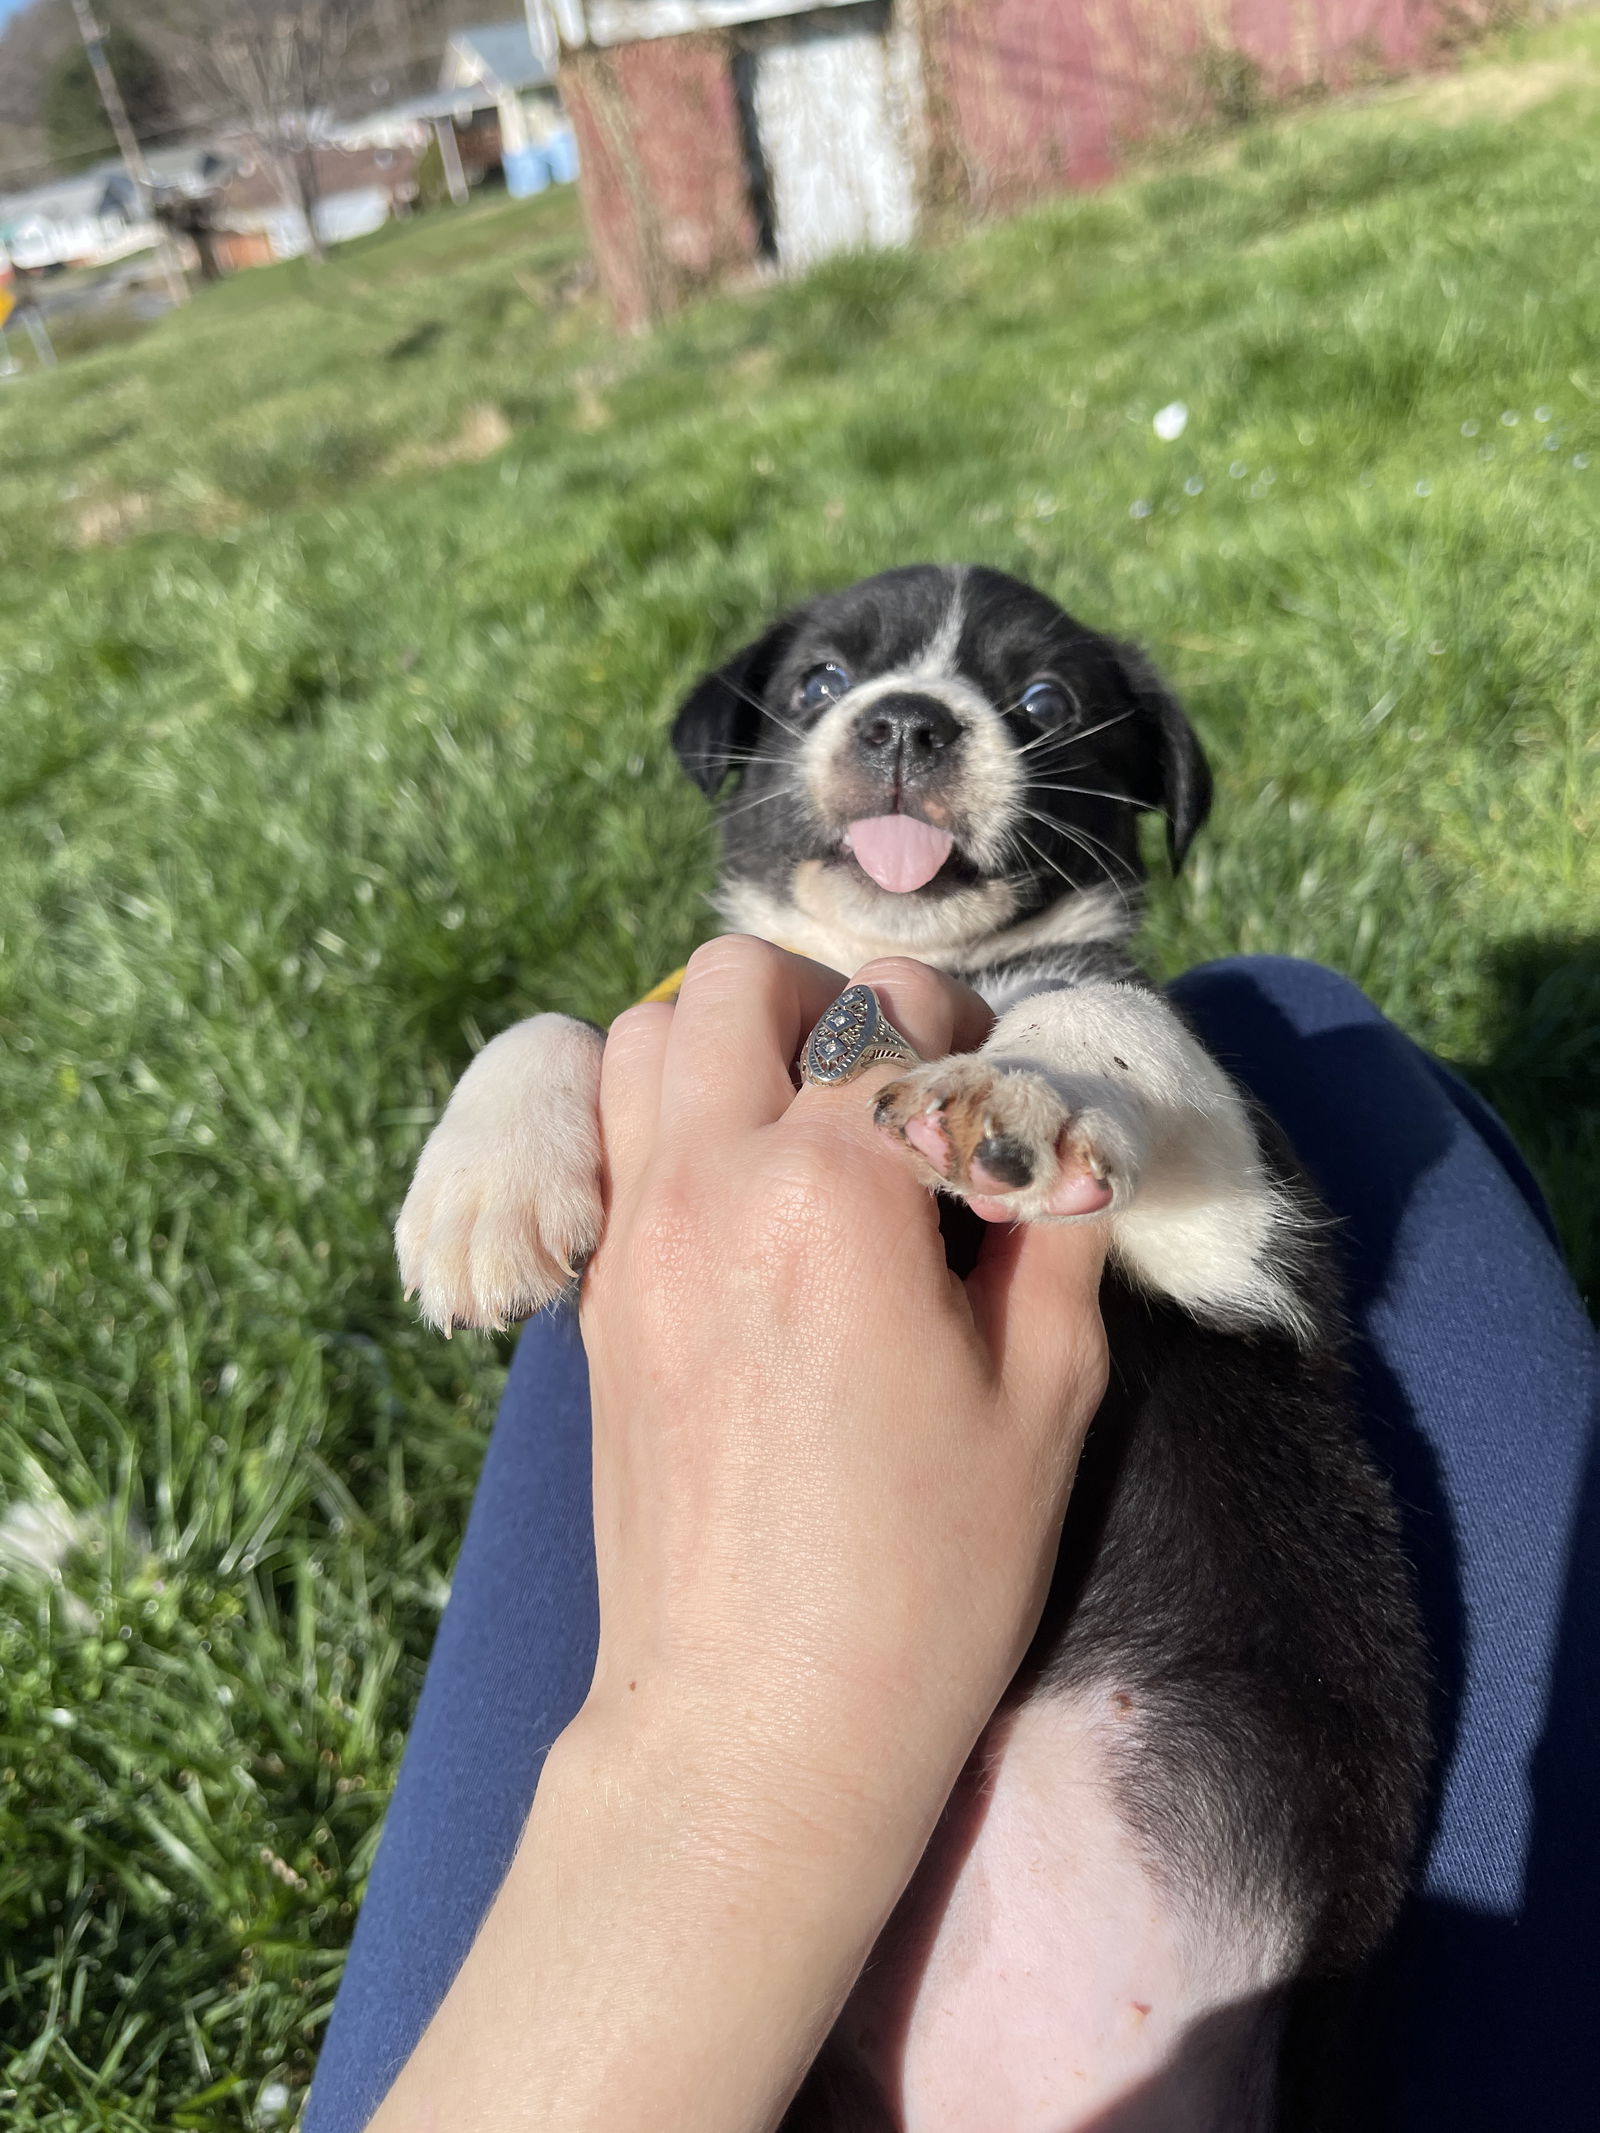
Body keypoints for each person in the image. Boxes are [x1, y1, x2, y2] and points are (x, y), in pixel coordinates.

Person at [306, 942, 1599, 2132]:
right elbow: (1244, 1267)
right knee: (1300, 1017)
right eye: (817, 680)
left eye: (1037, 707)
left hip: (726, 2001)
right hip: (1189, 1898)